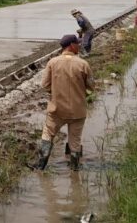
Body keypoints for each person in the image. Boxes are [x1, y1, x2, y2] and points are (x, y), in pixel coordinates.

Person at [28, 34, 95, 171]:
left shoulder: (53, 62)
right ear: (71, 45)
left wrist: (55, 94)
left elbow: (45, 84)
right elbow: (91, 87)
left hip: (57, 109)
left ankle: (41, 166)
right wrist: (83, 95)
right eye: (78, 43)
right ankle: (75, 169)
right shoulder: (83, 64)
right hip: (78, 110)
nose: (80, 45)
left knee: (48, 134)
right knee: (75, 140)